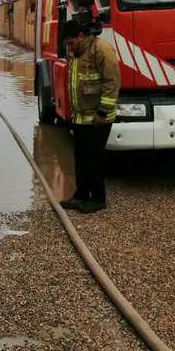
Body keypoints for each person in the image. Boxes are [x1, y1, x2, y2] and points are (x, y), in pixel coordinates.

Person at [60, 19, 120, 213]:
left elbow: (112, 83)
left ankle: (98, 199)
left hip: (98, 118)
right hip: (80, 116)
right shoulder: (77, 53)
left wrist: (102, 112)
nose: (69, 48)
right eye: (66, 44)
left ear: (80, 36)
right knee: (81, 157)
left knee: (94, 158)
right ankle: (81, 195)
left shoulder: (101, 49)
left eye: (71, 43)